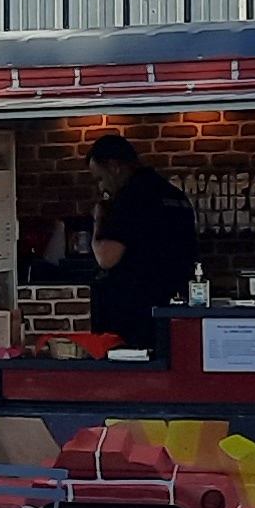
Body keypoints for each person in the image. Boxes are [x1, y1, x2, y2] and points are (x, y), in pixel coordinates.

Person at [84, 134, 198, 349]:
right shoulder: (175, 196)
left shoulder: (130, 198)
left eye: (100, 178)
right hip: (177, 307)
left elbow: (106, 258)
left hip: (136, 312)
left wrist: (99, 218)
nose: (101, 188)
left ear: (114, 167)